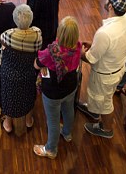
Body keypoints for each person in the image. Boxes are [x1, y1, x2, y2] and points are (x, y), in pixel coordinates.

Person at [76, 0, 126, 139]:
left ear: (110, 6)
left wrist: (77, 52)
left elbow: (91, 58)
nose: (105, 0)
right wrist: (95, 45)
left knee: (106, 103)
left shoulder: (105, 33)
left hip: (104, 75)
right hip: (118, 67)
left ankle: (106, 129)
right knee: (102, 99)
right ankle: (94, 110)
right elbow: (112, 44)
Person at [33, 17, 82, 159]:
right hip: (71, 85)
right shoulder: (77, 47)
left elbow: (37, 64)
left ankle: (51, 149)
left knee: (53, 121)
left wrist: (43, 67)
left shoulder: (51, 52)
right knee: (68, 110)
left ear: (59, 33)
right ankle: (67, 133)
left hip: (53, 91)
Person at [0, 4, 42, 133]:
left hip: (9, 73)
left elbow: (2, 43)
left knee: (8, 96)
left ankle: (8, 123)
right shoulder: (37, 34)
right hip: (28, 72)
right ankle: (28, 120)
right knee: (29, 95)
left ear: (15, 19)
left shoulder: (7, 34)